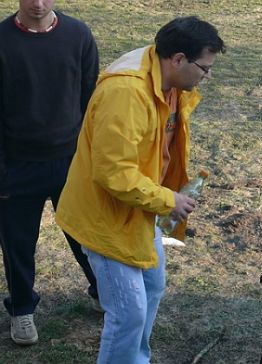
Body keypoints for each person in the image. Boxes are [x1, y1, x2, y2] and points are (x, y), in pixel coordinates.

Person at [54, 16, 225, 363]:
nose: (206, 77)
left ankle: (134, 359)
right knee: (128, 312)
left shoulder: (167, 81)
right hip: (107, 217)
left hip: (138, 210)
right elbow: (113, 173)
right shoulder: (127, 93)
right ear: (178, 59)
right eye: (204, 69)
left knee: (151, 286)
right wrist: (167, 200)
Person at [0, 0, 100, 346]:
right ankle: (22, 310)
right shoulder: (2, 40)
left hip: (70, 161)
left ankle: (102, 291)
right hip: (17, 165)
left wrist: (91, 157)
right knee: (17, 244)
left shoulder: (78, 35)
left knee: (85, 234)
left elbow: (90, 100)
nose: (38, 4)